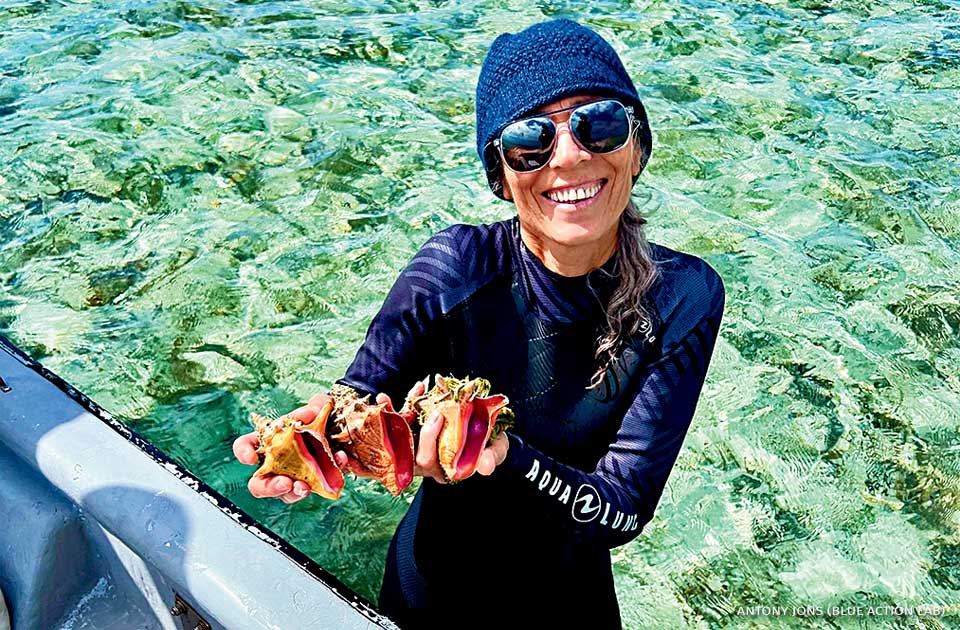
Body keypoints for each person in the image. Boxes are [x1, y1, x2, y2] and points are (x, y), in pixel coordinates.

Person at [234, 18, 725, 629]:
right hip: (434, 588)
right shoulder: (455, 266)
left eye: (600, 124)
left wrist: (502, 454)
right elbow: (360, 394)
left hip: (571, 602)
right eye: (530, 140)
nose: (570, 157)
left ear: (638, 144)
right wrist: (317, 437)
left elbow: (623, 512)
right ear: (501, 173)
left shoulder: (683, 295)